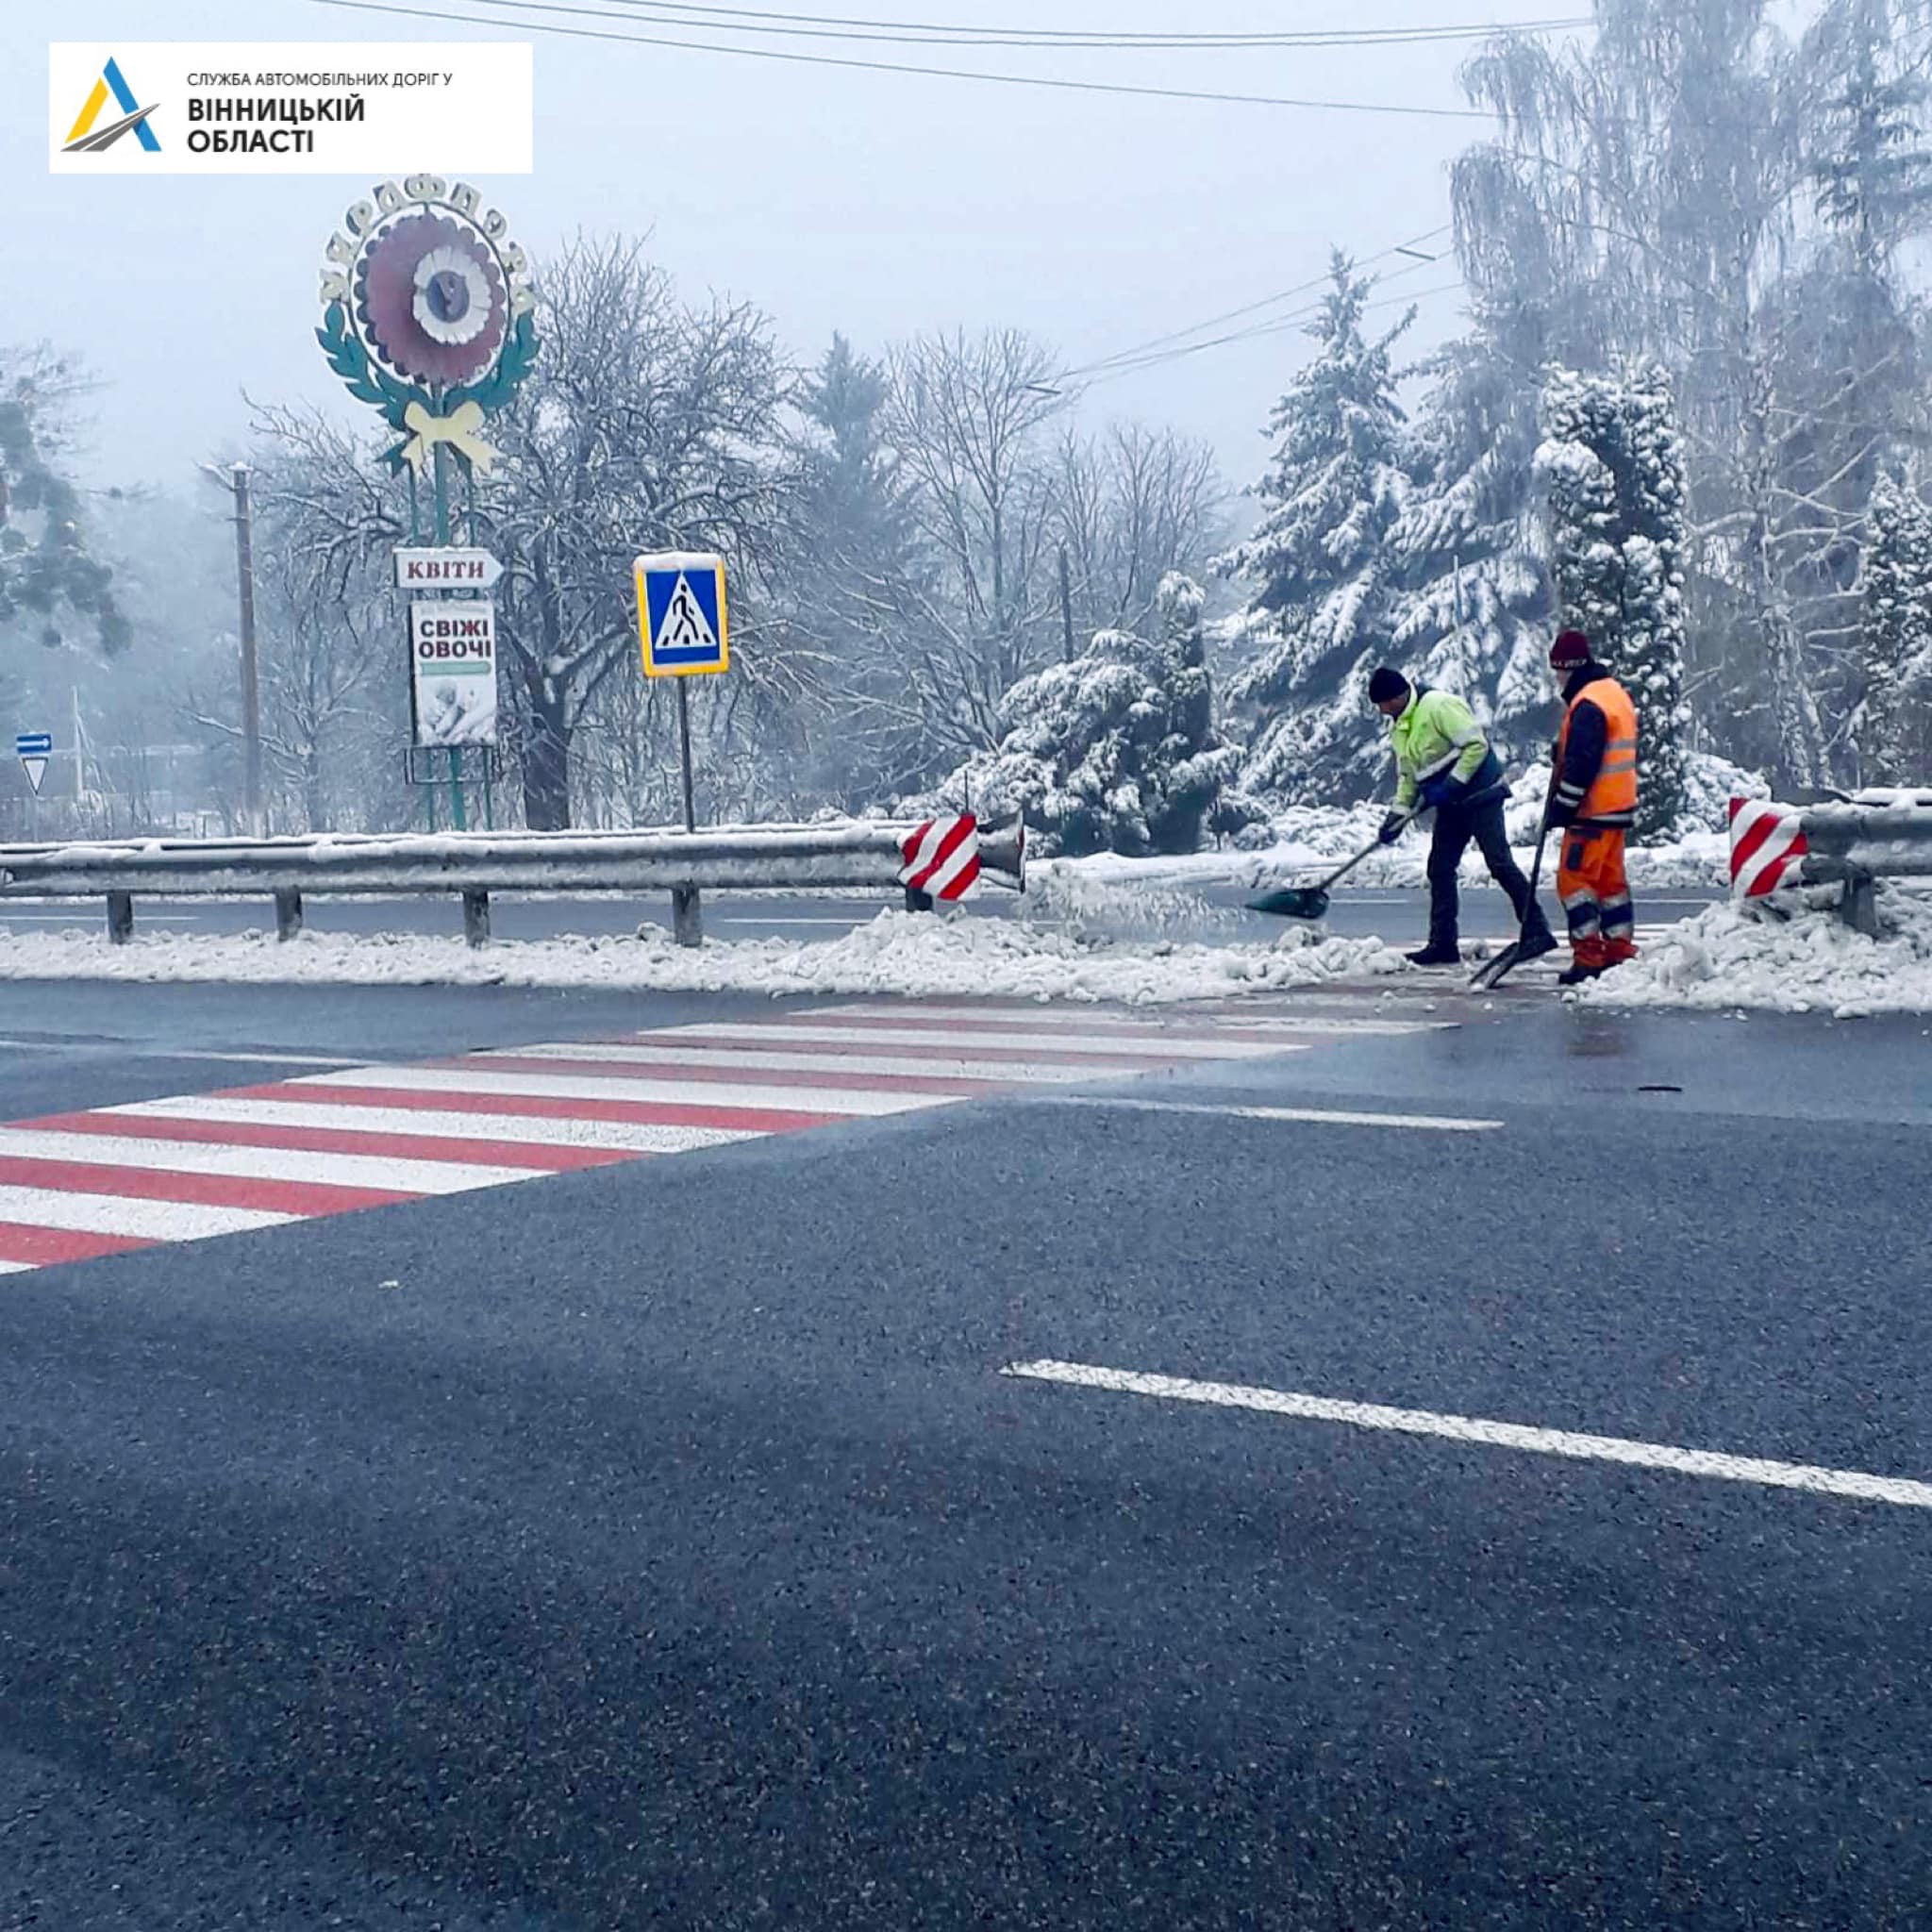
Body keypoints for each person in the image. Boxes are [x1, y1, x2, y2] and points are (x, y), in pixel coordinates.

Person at [1369, 666, 1557, 968]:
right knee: (1440, 868)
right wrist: (1396, 816)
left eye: (1381, 704)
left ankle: (1536, 928)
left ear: (1395, 697)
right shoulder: (1400, 728)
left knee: (1498, 862)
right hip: (1451, 804)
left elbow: (1476, 746)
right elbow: (1408, 776)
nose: (1380, 710)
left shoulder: (1439, 706)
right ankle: (1443, 943)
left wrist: (1453, 783)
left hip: (1482, 795)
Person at [1546, 629, 1640, 985]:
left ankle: (1588, 957)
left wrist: (1563, 807)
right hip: (1618, 808)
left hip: (1592, 811)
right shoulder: (1613, 693)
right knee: (1609, 884)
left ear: (1568, 668)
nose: (1557, 678)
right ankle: (1619, 950)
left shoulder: (1587, 704)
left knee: (1575, 882)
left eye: (1558, 671)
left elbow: (1584, 763)